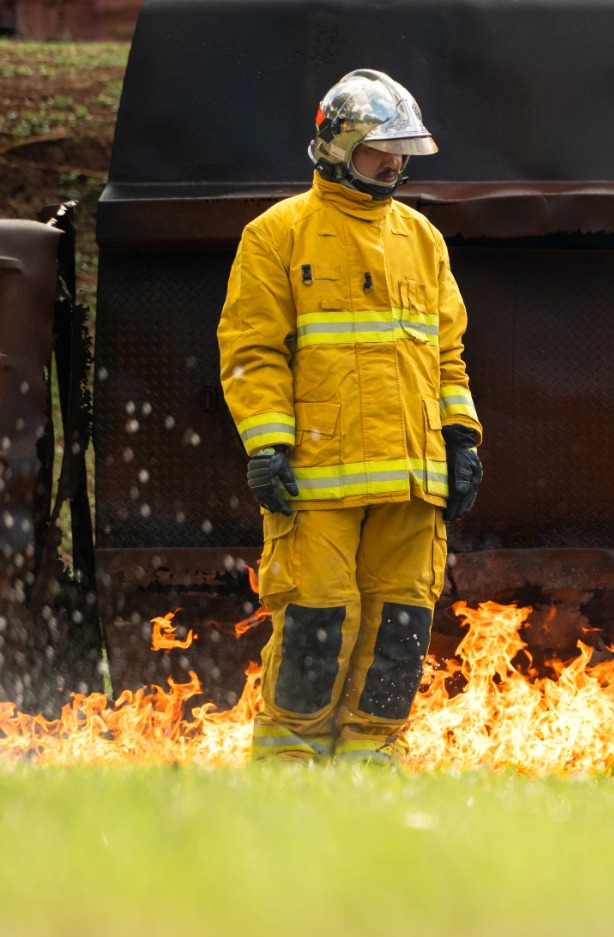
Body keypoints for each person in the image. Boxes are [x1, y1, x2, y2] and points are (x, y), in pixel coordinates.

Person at [217, 69, 484, 764]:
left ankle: (371, 763)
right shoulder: (278, 235)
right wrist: (268, 444)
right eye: (381, 151)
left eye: (402, 153)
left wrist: (462, 439)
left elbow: (447, 352)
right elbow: (252, 350)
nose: (395, 164)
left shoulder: (422, 239)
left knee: (401, 624)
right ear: (339, 146)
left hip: (413, 480)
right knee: (315, 622)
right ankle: (288, 769)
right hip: (318, 475)